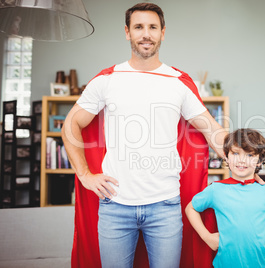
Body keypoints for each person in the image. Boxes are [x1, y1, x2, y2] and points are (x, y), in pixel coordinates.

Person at [61, 3, 227, 268]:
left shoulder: (178, 82)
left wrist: (244, 159)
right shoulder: (107, 80)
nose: (146, 34)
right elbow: (70, 125)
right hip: (115, 206)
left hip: (165, 206)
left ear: (163, 33)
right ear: (127, 32)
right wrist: (84, 174)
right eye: (138, 27)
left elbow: (211, 130)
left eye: (152, 27)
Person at [186, 128, 265, 268]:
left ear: (259, 161)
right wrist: (207, 237)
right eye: (235, 153)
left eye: (249, 155)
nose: (242, 160)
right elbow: (190, 208)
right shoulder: (215, 190)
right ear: (226, 157)